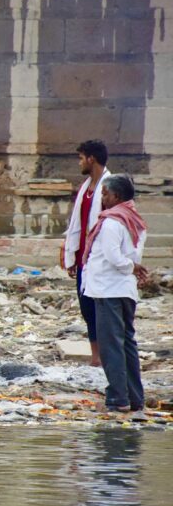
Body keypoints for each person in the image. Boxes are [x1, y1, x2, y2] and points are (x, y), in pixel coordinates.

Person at [82, 175, 149, 412]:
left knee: (111, 345)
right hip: (124, 290)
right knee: (127, 344)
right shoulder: (136, 221)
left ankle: (118, 398)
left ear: (117, 197)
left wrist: (131, 267)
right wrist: (132, 266)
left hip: (108, 290)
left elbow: (114, 257)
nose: (103, 199)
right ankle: (135, 398)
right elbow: (132, 258)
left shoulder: (112, 222)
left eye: (105, 195)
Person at [62, 139, 110, 368]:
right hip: (83, 257)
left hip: (100, 258)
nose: (80, 162)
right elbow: (76, 223)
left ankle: (104, 355)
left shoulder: (110, 186)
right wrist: (71, 253)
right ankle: (95, 356)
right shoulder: (85, 187)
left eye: (81, 158)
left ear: (91, 158)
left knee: (101, 307)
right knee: (86, 307)